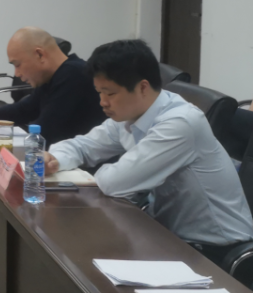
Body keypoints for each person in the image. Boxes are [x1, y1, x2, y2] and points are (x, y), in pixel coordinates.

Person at [44, 39, 253, 264]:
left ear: (143, 87)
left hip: (216, 250)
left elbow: (115, 183)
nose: (102, 102)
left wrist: (100, 172)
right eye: (99, 92)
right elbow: (84, 145)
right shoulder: (130, 114)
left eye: (110, 94)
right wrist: (55, 158)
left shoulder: (180, 123)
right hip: (167, 232)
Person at [0, 27, 105, 143]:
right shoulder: (55, 74)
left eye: (17, 65)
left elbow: (44, 131)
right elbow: (25, 109)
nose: (17, 73)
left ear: (40, 54)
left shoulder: (74, 74)